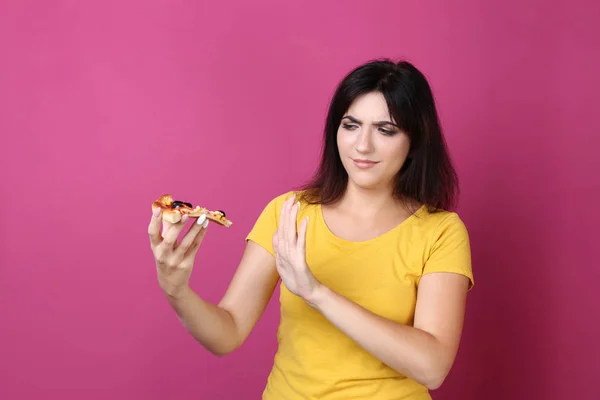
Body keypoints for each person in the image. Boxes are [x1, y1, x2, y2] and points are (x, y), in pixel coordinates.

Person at [148, 59, 474, 399]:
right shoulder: (288, 212)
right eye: (350, 126)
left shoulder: (442, 232)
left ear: (415, 142)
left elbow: (432, 367)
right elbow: (227, 333)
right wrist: (177, 290)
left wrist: (316, 293)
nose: (363, 145)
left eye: (385, 130)